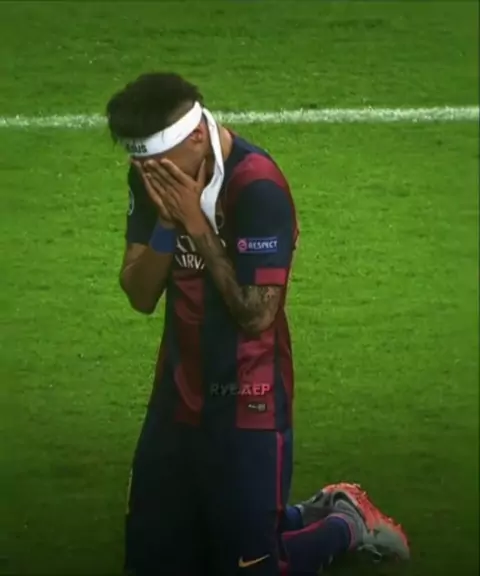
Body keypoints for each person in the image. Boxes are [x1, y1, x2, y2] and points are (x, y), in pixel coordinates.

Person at [106, 72, 409, 576]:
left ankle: (348, 522)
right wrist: (167, 222)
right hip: (177, 394)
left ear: (196, 136)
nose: (149, 175)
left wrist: (196, 225)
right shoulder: (153, 177)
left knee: (248, 568)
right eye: (141, 165)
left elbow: (256, 314)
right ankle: (288, 517)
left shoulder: (257, 186)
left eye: (157, 163)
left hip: (250, 399)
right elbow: (139, 295)